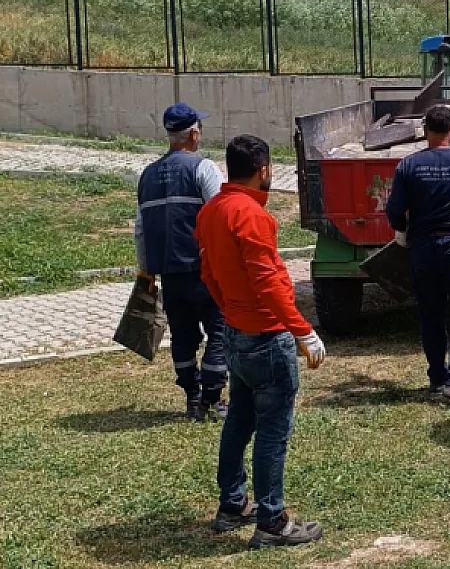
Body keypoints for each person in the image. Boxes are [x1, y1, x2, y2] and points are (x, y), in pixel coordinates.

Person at [195, 134, 328, 548]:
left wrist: (231, 311)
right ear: (265, 170)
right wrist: (301, 329)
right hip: (267, 337)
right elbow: (268, 283)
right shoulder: (251, 215)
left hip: (236, 332)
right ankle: (272, 521)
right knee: (273, 429)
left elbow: (209, 274)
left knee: (240, 418)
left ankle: (232, 503)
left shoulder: (212, 211)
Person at [386, 104, 450, 405]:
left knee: (430, 313)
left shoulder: (407, 165)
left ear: (425, 131)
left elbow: (394, 209)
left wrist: (401, 229)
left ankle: (437, 378)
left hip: (423, 248)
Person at [134, 102, 227, 421]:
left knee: (183, 336)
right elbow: (220, 218)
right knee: (220, 331)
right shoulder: (205, 169)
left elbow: (141, 230)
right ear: (195, 133)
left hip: (170, 275)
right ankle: (213, 400)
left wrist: (146, 272)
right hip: (204, 272)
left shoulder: (147, 175)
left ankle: (192, 397)